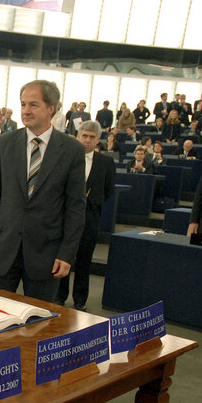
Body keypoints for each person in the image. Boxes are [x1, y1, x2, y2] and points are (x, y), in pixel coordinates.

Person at [0, 80, 85, 302]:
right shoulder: (4, 144)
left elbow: (75, 206)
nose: (26, 111)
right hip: (0, 250)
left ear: (51, 108)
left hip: (47, 254)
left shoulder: (72, 150)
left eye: (33, 105)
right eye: (23, 104)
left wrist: (67, 253)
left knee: (41, 325)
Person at [57, 121, 115, 311]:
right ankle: (59, 296)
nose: (88, 140)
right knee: (63, 257)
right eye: (85, 136)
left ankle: (80, 300)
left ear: (98, 139)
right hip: (64, 217)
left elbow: (108, 190)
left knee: (84, 260)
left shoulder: (106, 162)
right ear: (78, 136)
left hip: (90, 218)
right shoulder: (65, 157)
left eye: (92, 137)